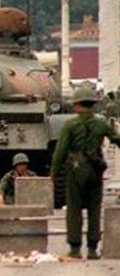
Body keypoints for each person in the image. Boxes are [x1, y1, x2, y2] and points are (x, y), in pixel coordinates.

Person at [51, 86, 120, 260]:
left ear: (77, 105)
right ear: (92, 104)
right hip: (95, 169)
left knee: (74, 209)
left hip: (75, 170)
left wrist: (54, 172)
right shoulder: (101, 122)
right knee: (94, 210)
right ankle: (92, 249)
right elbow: (117, 139)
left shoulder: (70, 124)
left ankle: (75, 249)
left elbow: (61, 150)